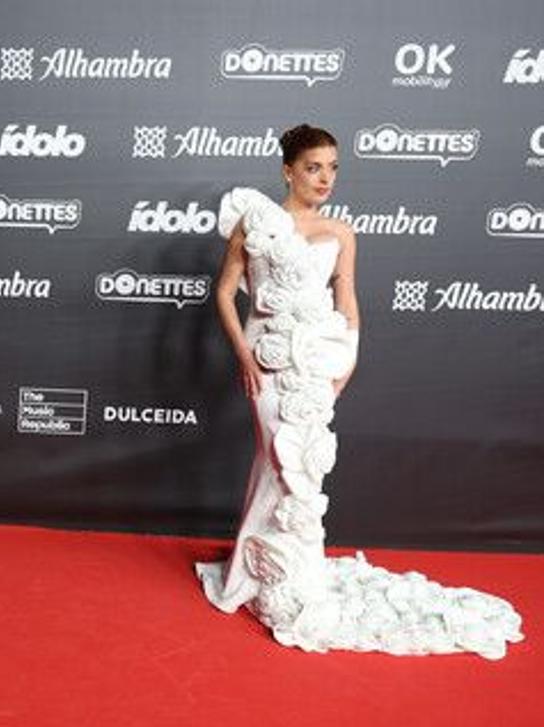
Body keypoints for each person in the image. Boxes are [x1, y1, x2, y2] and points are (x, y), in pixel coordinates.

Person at [194, 124, 523, 658]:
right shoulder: (257, 222)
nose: (325, 178)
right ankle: (257, 572)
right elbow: (226, 293)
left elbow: (347, 301)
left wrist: (348, 357)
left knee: (301, 463)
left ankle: (260, 566)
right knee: (280, 461)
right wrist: (243, 355)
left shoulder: (342, 232)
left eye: (333, 168)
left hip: (319, 360)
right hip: (268, 358)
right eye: (313, 167)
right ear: (288, 170)